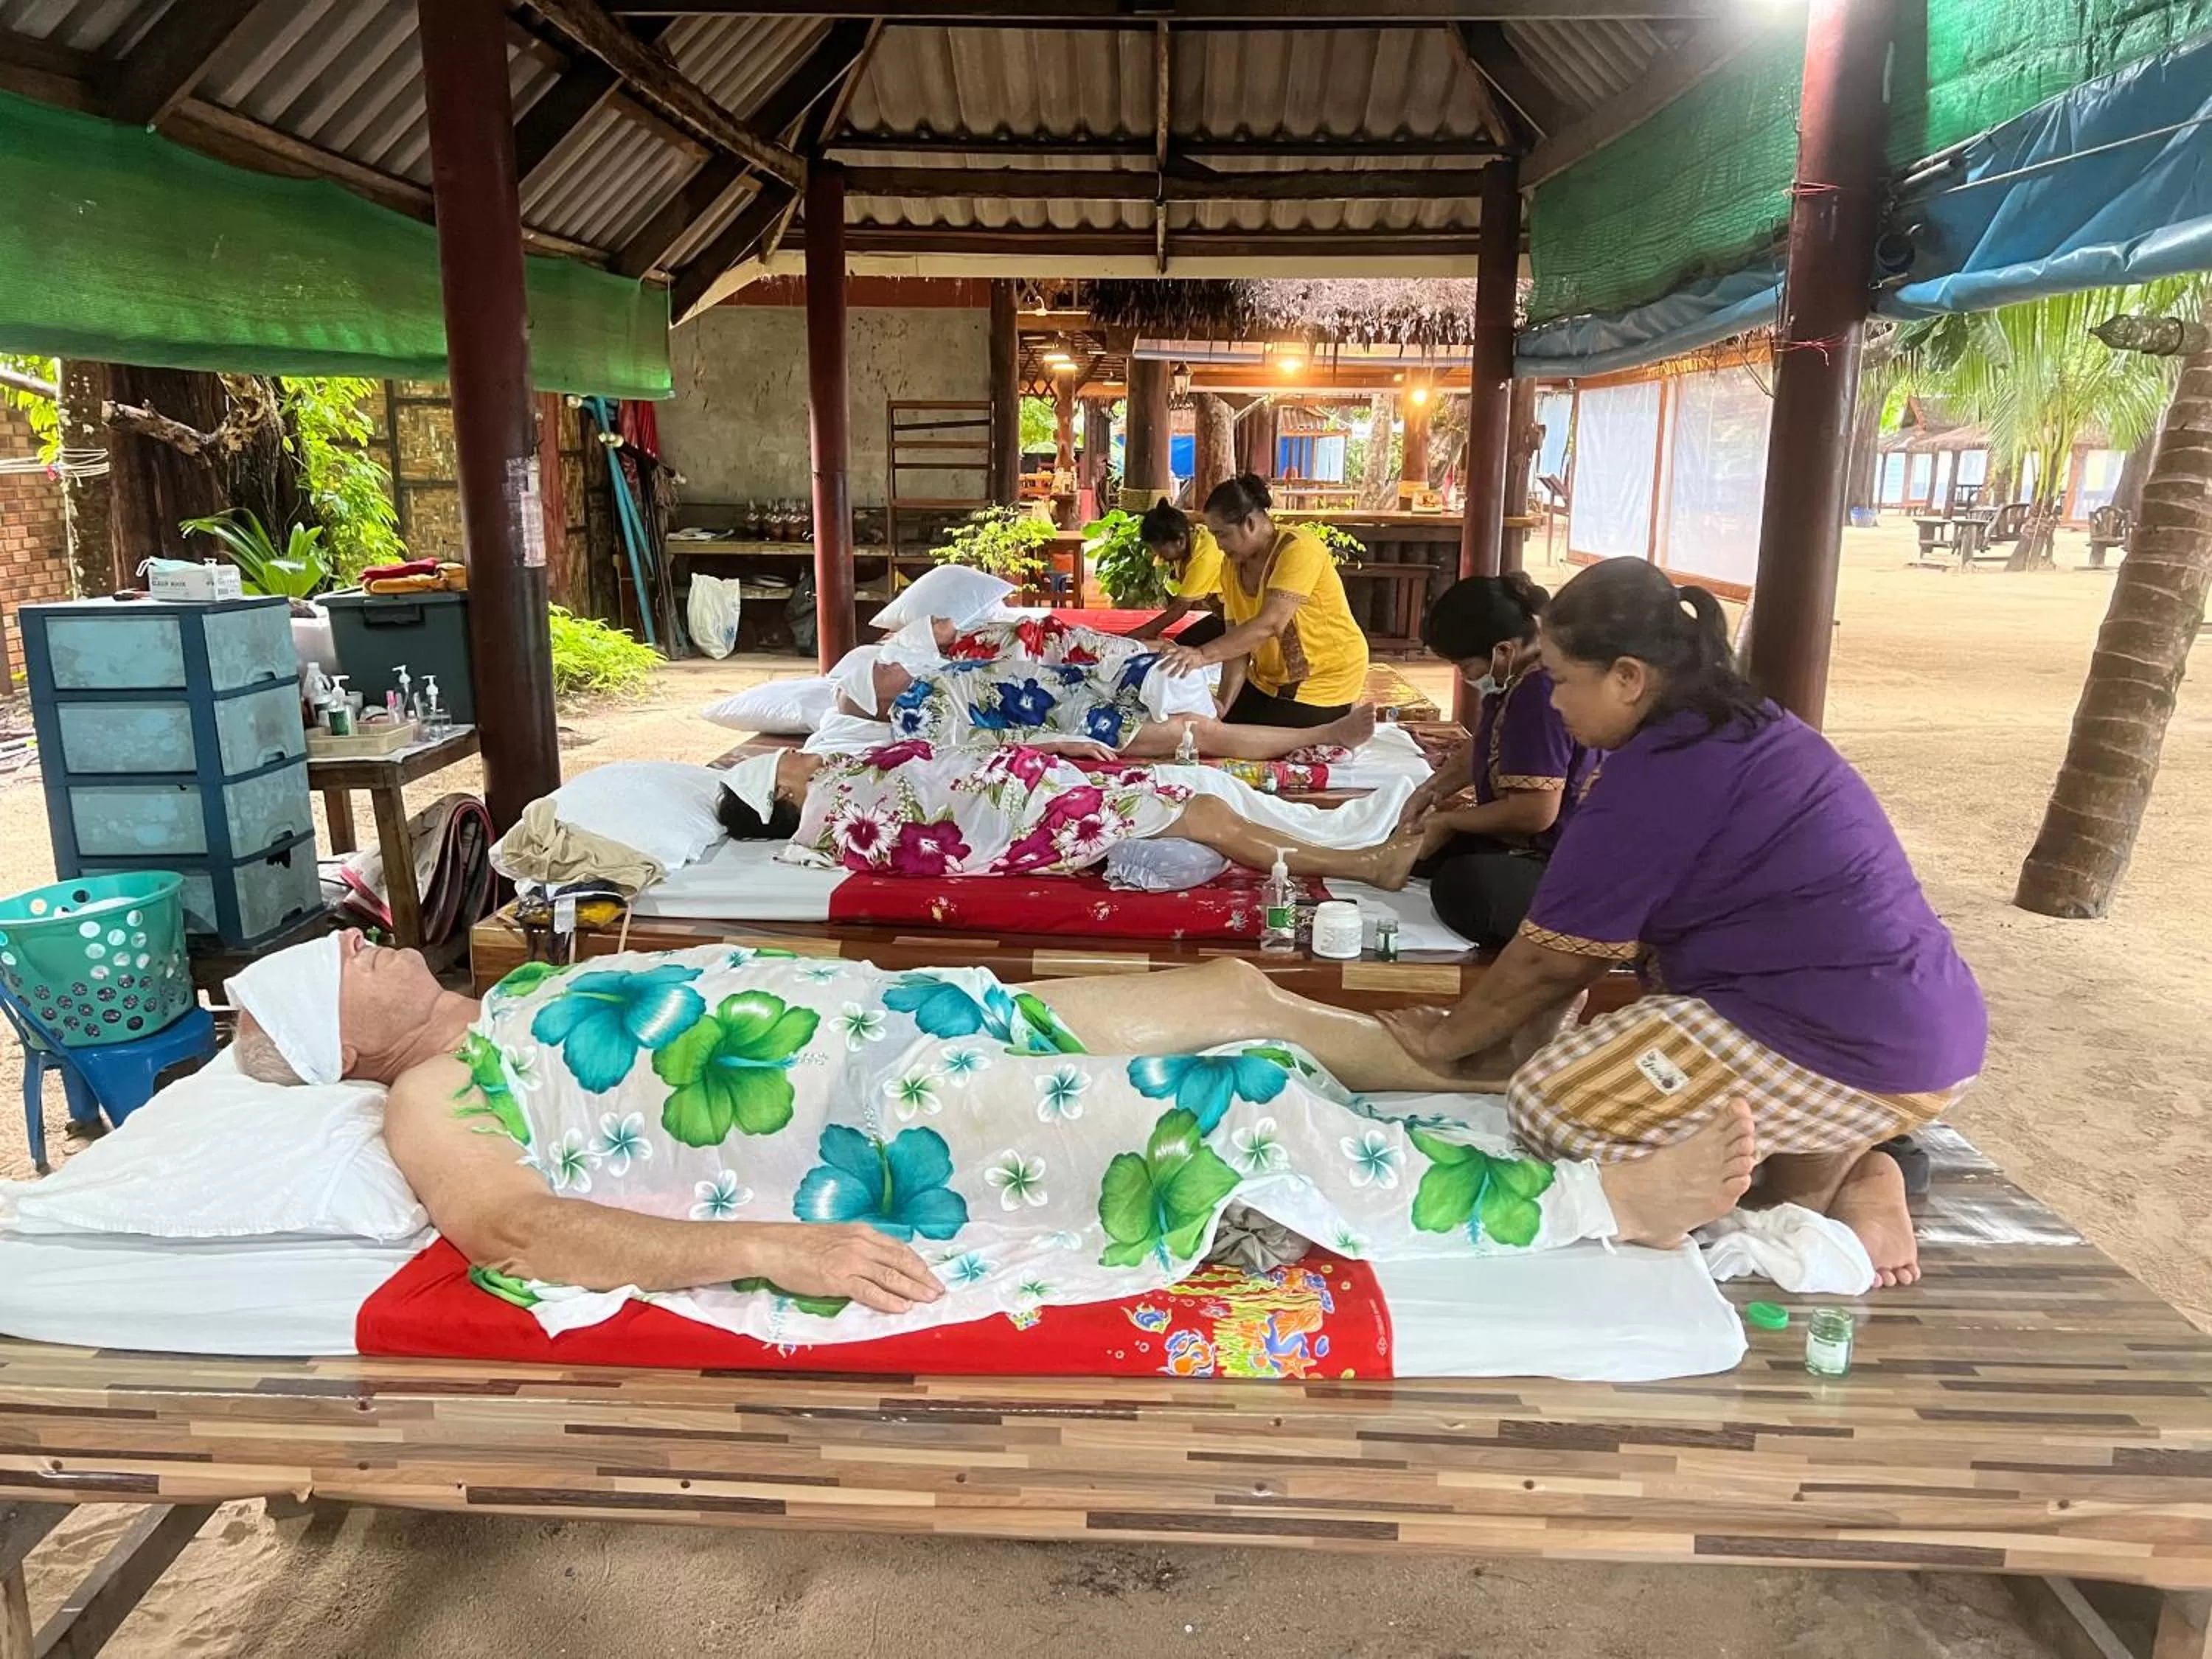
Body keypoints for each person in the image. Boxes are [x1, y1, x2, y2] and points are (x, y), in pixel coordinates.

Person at [227, 933, 1757, 1325]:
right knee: (1242, 1103)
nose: (370, 937)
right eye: (347, 960)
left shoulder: (509, 992)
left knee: (1239, 997)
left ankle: (1464, 1097)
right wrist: (768, 1248)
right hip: (909, 1116)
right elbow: (516, 1229)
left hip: (932, 1019)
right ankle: (1594, 1209)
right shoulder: (433, 1092)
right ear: (341, 1038)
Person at [1379, 557, 1988, 1288]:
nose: (1555, 700)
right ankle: (1842, 1172)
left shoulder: (1667, 768)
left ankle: (1850, 1180)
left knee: (1548, 1107)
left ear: (1628, 678)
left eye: (1563, 680)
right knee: (1604, 1060)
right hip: (1912, 1027)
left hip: (1844, 1040)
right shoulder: (1737, 727)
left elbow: (1552, 962)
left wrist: (1446, 1040)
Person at [712, 739, 1423, 889]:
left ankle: (1353, 855)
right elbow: (929, 826)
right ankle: (1364, 865)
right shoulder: (835, 813)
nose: (800, 754)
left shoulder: (838, 782)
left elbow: (940, 765)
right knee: (1207, 813)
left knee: (1206, 801)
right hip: (1030, 816)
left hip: (1034, 791)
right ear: (782, 797)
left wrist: (1044, 753)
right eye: (787, 763)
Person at [849, 625, 1378, 762]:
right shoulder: (914, 714)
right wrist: (1060, 745)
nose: (891, 661)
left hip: (1080, 688)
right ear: (877, 699)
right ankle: (1325, 733)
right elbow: (975, 746)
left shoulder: (928, 678)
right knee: (1195, 734)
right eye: (880, 669)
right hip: (1070, 721)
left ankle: (1300, 731)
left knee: (1165, 667)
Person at [1401, 574, 1591, 947]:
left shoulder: (1540, 691)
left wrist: (1450, 820)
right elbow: (1485, 744)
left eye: (1464, 666)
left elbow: (1536, 812)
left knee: (1463, 887)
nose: (1465, 677)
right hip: (1537, 841)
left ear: (1503, 651)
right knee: (1422, 850)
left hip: (1571, 859)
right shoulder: (1515, 676)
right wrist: (1430, 791)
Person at [1155, 475, 1369, 729]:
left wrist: (1201, 655)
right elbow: (1236, 642)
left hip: (1325, 682)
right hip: (1268, 680)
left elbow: (1271, 623)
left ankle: (1340, 722)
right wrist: (1222, 706)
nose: (1219, 545)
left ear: (1250, 523)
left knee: (1244, 740)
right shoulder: (1231, 567)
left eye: (1222, 535)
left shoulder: (1299, 549)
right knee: (1212, 728)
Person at [1124, 501, 1227, 647]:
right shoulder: (1187, 539)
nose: (1156, 554)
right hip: (1221, 617)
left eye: (1159, 548)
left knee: (1182, 652)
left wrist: (1133, 638)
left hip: (1238, 621)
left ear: (1180, 541)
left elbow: (1180, 609)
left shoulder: (1204, 554)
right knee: (1180, 645)